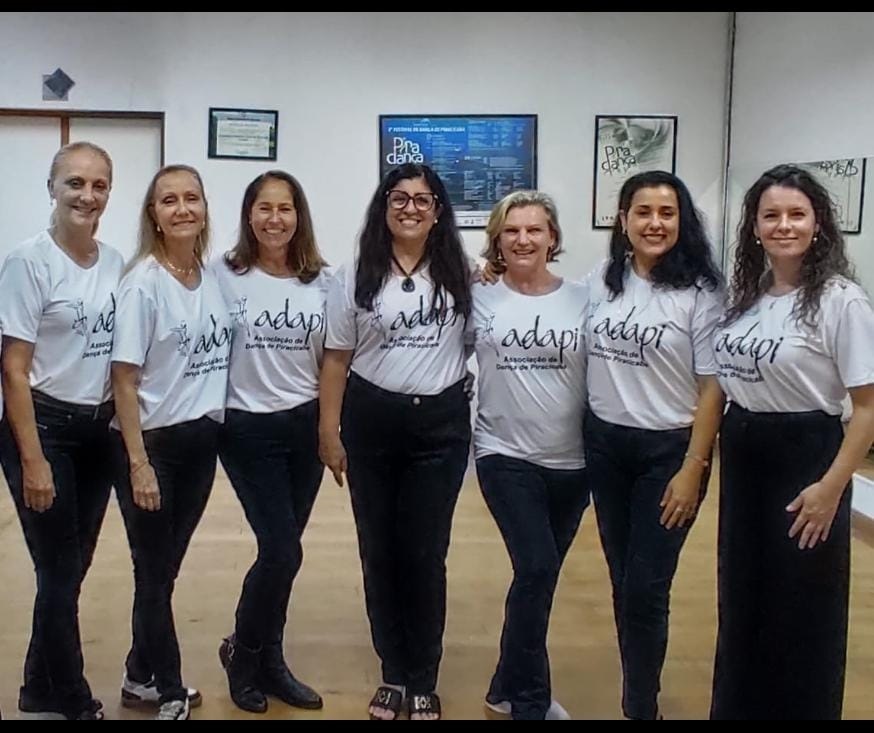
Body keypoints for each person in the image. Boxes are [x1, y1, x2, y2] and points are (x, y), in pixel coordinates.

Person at [710, 164, 874, 720]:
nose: (784, 226)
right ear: (754, 226)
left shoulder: (839, 300)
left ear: (819, 223)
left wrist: (832, 487)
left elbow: (869, 407)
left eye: (796, 214)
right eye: (771, 215)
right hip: (745, 449)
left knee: (802, 607)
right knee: (744, 600)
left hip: (806, 456)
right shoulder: (747, 296)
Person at [319, 163, 471, 720]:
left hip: (440, 428)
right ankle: (393, 673)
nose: (411, 208)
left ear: (438, 211)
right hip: (371, 422)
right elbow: (336, 357)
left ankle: (423, 675)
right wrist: (328, 431)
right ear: (383, 208)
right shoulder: (357, 269)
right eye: (399, 199)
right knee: (378, 551)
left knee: (425, 553)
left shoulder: (461, 270)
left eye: (423, 200)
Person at [582, 170, 724, 720]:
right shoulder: (602, 279)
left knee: (646, 585)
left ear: (682, 221)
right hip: (606, 447)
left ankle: (641, 705)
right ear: (623, 220)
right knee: (624, 579)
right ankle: (636, 688)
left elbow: (713, 385)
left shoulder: (702, 292)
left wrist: (694, 465)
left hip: (670, 453)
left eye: (667, 213)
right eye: (643, 212)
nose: (655, 223)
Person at [0, 141, 122, 720]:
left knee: (72, 566)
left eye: (98, 185)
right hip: (42, 427)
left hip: (97, 431)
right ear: (52, 188)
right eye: (75, 183)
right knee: (57, 568)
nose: (87, 195)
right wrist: (33, 460)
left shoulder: (117, 263)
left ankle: (35, 685)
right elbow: (14, 371)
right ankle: (72, 696)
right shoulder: (29, 261)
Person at [110, 164, 231, 721]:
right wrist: (138, 463)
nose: (182, 208)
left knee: (164, 569)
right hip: (152, 445)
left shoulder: (207, 276)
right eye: (168, 201)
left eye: (191, 198)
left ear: (204, 208)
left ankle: (140, 676)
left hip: (200, 439)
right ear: (153, 215)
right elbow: (124, 380)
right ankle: (172, 689)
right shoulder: (143, 283)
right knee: (154, 573)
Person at [211, 170, 328, 713]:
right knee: (282, 548)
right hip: (246, 428)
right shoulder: (223, 275)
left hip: (303, 428)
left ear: (299, 216)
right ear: (249, 214)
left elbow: (335, 359)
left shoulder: (323, 281)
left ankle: (269, 659)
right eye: (264, 208)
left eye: (285, 209)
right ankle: (245, 651)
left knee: (283, 552)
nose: (274, 218)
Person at [469, 191, 588, 720]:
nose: (523, 239)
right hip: (502, 454)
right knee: (536, 568)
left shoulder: (585, 300)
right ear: (497, 239)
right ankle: (531, 703)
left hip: (573, 463)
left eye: (534, 230)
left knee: (537, 578)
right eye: (511, 231)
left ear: (553, 238)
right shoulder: (478, 298)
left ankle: (502, 684)